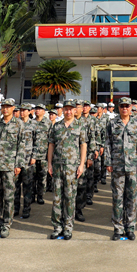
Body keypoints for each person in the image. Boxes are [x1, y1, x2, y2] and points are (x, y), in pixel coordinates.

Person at [0, 98, 28, 238]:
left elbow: (22, 145)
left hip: (10, 166)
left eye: (8, 107)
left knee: (9, 196)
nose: (5, 109)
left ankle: (6, 224)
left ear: (13, 108)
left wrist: (18, 164)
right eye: (3, 107)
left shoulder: (19, 124)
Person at [106, 96, 137, 240]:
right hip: (117, 165)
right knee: (117, 197)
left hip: (133, 166)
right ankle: (118, 228)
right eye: (122, 106)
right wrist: (108, 162)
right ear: (118, 107)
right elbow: (107, 143)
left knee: (131, 198)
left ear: (131, 108)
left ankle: (130, 227)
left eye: (127, 106)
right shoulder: (112, 123)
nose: (124, 108)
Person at [48, 98, 87, 240]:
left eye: (71, 109)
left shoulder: (79, 126)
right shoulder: (56, 126)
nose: (69, 111)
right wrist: (49, 164)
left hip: (72, 167)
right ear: (62, 110)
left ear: (75, 110)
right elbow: (51, 145)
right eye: (66, 109)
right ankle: (57, 227)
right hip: (57, 167)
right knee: (57, 198)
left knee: (70, 198)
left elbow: (83, 145)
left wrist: (81, 164)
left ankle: (68, 227)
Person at [32, 104, 51, 205]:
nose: (38, 111)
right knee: (32, 176)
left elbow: (51, 140)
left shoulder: (48, 123)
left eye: (40, 109)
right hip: (32, 156)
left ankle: (40, 195)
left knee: (42, 177)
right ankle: (31, 196)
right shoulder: (31, 123)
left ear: (44, 111)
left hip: (44, 155)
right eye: (36, 109)